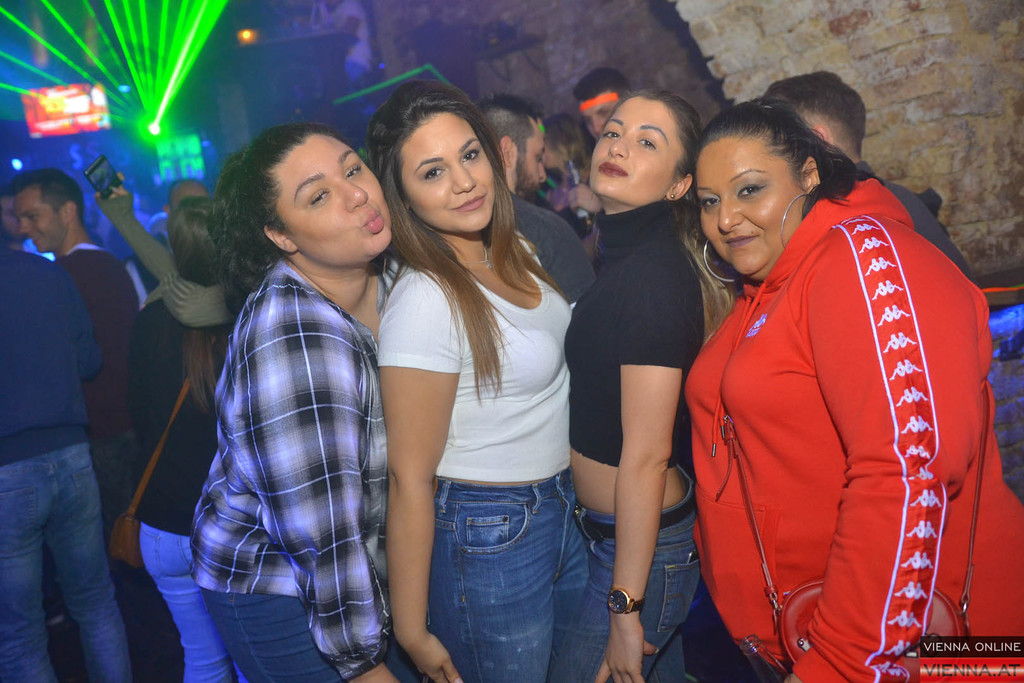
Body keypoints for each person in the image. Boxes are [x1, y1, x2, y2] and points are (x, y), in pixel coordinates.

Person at [687, 99, 1024, 682]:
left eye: (750, 190)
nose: (726, 219)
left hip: (927, 654)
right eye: (709, 201)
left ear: (809, 174)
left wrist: (842, 662)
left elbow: (907, 470)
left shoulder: (860, 257)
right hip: (808, 641)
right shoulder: (769, 281)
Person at [366, 80, 587, 683]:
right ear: (403, 197)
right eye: (433, 172)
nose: (464, 181)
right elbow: (409, 478)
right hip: (489, 531)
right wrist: (411, 629)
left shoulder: (514, 249)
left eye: (469, 155)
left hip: (561, 508)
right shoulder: (425, 298)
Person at [190, 122, 396, 682]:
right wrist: (363, 665)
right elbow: (320, 534)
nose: (357, 194)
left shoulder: (391, 276)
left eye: (353, 169)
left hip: (356, 568)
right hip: (274, 585)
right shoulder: (293, 337)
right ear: (282, 236)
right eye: (319, 196)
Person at [550, 90, 721, 683]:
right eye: (613, 132)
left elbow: (646, 455)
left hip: (642, 553)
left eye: (648, 142)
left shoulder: (653, 276)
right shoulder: (625, 256)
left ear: (679, 185)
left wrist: (625, 608)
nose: (618, 146)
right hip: (619, 538)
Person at [0, 247, 131, 682]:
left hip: (7, 470)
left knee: (19, 635)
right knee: (96, 604)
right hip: (72, 455)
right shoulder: (47, 273)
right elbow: (89, 360)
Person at [126, 196, 241, 682]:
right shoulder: (245, 321)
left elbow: (138, 414)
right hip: (230, 525)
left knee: (202, 658)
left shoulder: (150, 318)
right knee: (250, 663)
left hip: (164, 524)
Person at [12, 168, 139, 541]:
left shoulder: (65, 275)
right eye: (19, 218)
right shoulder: (107, 262)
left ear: (67, 211)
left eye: (32, 216)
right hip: (125, 426)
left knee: (117, 547)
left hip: (101, 435)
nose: (22, 228)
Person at [764, 71, 973, 279]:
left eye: (780, 143)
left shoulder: (844, 214)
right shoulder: (896, 197)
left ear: (819, 140)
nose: (771, 155)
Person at [478, 93, 595, 303]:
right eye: (537, 157)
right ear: (507, 152)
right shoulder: (543, 228)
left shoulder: (466, 229)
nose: (542, 175)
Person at [98, 178, 231, 328]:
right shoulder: (146, 267)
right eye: (187, 206)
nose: (199, 213)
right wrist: (122, 214)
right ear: (169, 213)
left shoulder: (238, 270)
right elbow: (166, 266)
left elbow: (186, 302)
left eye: (204, 204)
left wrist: (166, 288)